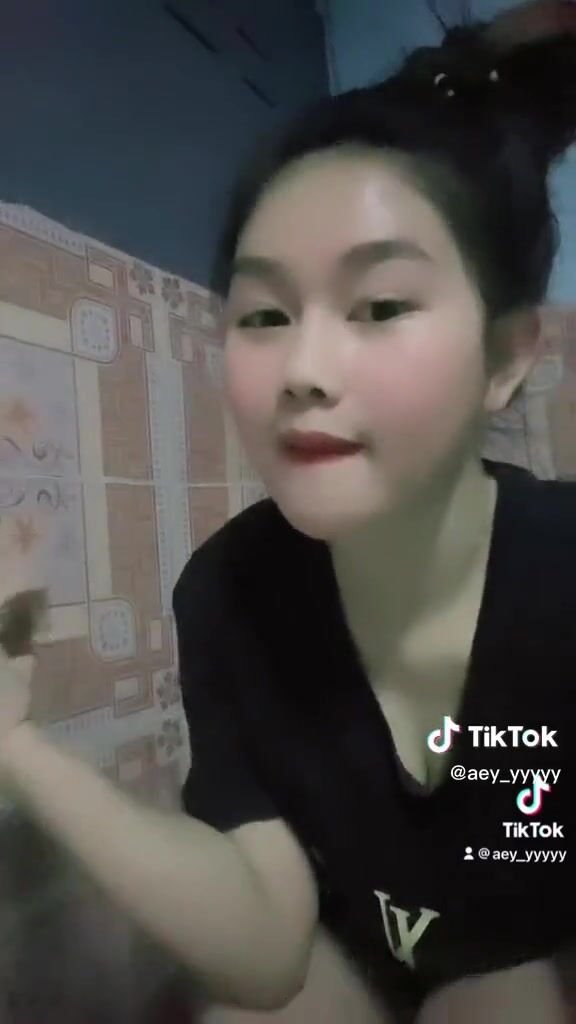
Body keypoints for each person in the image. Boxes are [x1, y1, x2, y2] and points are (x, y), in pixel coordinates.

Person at [0, 2, 575, 1022]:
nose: (302, 370)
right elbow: (266, 950)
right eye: (263, 313)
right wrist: (14, 740)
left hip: (525, 942)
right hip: (336, 948)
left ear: (504, 357)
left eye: (381, 306)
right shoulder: (224, 593)